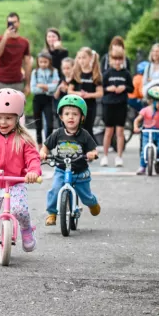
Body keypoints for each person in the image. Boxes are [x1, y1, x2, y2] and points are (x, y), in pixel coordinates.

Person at [0, 89, 42, 249]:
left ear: (18, 117)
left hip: (16, 182)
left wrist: (33, 172)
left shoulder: (23, 139)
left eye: (8, 118)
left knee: (20, 210)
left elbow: (33, 157)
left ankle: (26, 229)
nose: (3, 122)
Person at [40, 95, 100, 226]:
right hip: (62, 169)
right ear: (61, 117)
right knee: (55, 190)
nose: (70, 117)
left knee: (86, 196)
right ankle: (52, 213)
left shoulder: (84, 134)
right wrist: (43, 153)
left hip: (80, 171)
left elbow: (94, 150)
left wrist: (91, 154)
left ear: (82, 117)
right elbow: (46, 146)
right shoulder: (58, 133)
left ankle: (93, 203)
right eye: (67, 114)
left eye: (75, 114)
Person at [100, 45, 133, 166]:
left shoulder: (126, 73)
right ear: (111, 59)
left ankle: (119, 156)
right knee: (108, 131)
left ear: (123, 59)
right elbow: (101, 88)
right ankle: (105, 156)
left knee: (120, 131)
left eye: (120, 59)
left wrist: (124, 87)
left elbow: (131, 88)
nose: (117, 61)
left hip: (121, 104)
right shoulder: (107, 73)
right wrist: (109, 88)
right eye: (115, 59)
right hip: (108, 104)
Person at [134, 86, 159, 174]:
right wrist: (136, 127)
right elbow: (137, 120)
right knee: (144, 150)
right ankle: (142, 167)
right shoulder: (145, 110)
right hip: (146, 133)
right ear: (152, 101)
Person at [67, 47, 103, 137]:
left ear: (90, 58)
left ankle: (89, 149)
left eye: (84, 58)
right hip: (77, 106)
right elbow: (69, 91)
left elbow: (100, 93)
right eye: (79, 58)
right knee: (78, 128)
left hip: (90, 106)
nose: (81, 60)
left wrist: (88, 95)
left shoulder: (95, 74)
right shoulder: (76, 73)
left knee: (88, 128)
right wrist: (79, 94)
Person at [0, 12, 32, 92]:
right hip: (0, 81)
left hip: (17, 82)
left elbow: (27, 64)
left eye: (14, 22)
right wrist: (5, 37)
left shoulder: (24, 42)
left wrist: (28, 84)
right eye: (10, 22)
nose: (12, 24)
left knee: (17, 104)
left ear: (19, 23)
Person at [30, 51, 58, 144]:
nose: (43, 64)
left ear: (49, 61)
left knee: (50, 124)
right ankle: (39, 144)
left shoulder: (54, 71)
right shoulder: (35, 72)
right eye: (41, 62)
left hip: (48, 100)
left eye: (45, 62)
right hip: (37, 99)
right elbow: (33, 89)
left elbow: (55, 86)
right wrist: (47, 88)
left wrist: (42, 86)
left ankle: (48, 144)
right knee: (38, 125)